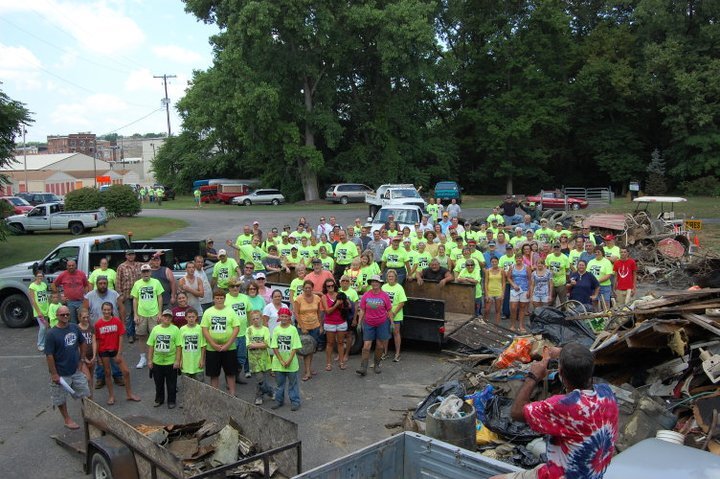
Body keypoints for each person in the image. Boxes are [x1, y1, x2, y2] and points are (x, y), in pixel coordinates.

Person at [490, 343, 618, 479]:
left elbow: (516, 412)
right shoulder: (607, 393)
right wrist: (560, 353)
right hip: (591, 473)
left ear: (560, 373)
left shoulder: (564, 406)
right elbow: (582, 358)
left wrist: (533, 377)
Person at [45, 305, 91, 429]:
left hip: (75, 369)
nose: (65, 316)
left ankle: (89, 414)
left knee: (85, 392)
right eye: (62, 315)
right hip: (61, 373)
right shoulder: (51, 334)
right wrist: (54, 374)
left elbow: (83, 342)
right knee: (60, 398)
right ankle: (67, 419)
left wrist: (81, 359)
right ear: (56, 316)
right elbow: (49, 355)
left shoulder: (74, 328)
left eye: (67, 314)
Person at [94, 302, 141, 405]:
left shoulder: (116, 321)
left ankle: (129, 394)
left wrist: (119, 353)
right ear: (102, 310)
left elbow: (120, 337)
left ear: (112, 310)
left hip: (115, 350)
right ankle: (111, 396)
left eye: (108, 309)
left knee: (126, 372)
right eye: (105, 309)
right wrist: (98, 357)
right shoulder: (98, 324)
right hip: (104, 351)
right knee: (107, 373)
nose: (106, 311)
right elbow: (97, 340)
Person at [201, 289, 240, 395]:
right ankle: (215, 394)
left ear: (224, 299)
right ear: (214, 299)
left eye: (221, 298)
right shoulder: (208, 312)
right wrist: (213, 344)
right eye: (217, 298)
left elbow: (236, 328)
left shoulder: (231, 311)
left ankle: (232, 393)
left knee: (230, 372)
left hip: (229, 347)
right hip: (212, 348)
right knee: (214, 373)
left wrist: (228, 344)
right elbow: (204, 329)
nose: (219, 300)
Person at [356, 275, 392, 375]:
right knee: (366, 345)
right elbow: (362, 310)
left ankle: (376, 364)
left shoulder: (384, 295)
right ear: (370, 283)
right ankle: (363, 367)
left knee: (380, 345)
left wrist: (392, 323)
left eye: (376, 282)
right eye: (373, 282)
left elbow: (389, 310)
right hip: (369, 323)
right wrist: (359, 323)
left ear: (380, 283)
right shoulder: (366, 295)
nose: (374, 283)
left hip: (382, 323)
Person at [131, 264, 164, 369]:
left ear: (150, 272)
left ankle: (154, 357)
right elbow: (135, 299)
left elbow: (160, 297)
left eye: (147, 271)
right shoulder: (137, 284)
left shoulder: (156, 282)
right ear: (141, 273)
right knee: (141, 336)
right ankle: (143, 358)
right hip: (141, 314)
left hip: (154, 313)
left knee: (155, 336)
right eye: (143, 272)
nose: (145, 273)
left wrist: (159, 313)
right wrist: (135, 314)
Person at [147, 309, 181, 408]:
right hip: (157, 361)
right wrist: (149, 360)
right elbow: (151, 345)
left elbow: (179, 346)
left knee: (172, 384)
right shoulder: (155, 329)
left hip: (170, 362)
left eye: (169, 317)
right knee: (158, 383)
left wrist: (177, 361)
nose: (167, 318)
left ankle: (171, 401)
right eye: (165, 316)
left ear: (171, 318)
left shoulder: (175, 329)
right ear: (161, 317)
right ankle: (159, 399)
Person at [270, 307, 302, 411]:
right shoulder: (276, 329)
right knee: (279, 384)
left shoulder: (293, 329)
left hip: (291, 363)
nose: (284, 318)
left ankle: (295, 401)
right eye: (282, 316)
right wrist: (281, 360)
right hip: (279, 363)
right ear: (279, 317)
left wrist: (289, 360)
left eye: (286, 316)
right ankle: (279, 401)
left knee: (293, 384)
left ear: (289, 318)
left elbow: (295, 346)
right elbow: (274, 346)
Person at [294, 280, 322, 381]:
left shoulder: (317, 298)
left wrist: (321, 326)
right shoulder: (298, 299)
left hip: (315, 326)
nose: (307, 289)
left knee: (312, 349)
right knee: (305, 350)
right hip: (303, 328)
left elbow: (319, 313)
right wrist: (303, 326)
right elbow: (296, 314)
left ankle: (309, 368)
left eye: (309, 288)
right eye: (305, 288)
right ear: (303, 288)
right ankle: (307, 372)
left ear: (312, 288)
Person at [225, 278, 251, 381]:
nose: (235, 288)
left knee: (241, 358)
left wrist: (250, 327)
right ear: (229, 288)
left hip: (243, 333)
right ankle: (229, 379)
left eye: (237, 286)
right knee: (231, 358)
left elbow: (248, 312)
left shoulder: (245, 297)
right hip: (231, 334)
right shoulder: (225, 298)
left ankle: (236, 376)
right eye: (232, 286)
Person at [246, 310, 274, 405]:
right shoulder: (249, 330)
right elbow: (248, 345)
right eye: (253, 319)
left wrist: (255, 344)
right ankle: (269, 392)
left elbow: (267, 344)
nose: (255, 320)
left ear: (261, 318)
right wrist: (260, 344)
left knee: (263, 379)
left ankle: (260, 395)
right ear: (251, 320)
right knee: (260, 379)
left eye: (257, 318)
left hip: (264, 359)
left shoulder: (265, 329)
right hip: (254, 360)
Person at [117, 249, 142, 343]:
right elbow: (118, 282)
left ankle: (137, 333)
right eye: (129, 255)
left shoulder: (139, 265)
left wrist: (155, 255)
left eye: (132, 255)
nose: (131, 256)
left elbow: (150, 263)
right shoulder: (121, 267)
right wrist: (120, 295)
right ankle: (130, 335)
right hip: (126, 296)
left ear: (135, 256)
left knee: (138, 314)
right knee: (128, 316)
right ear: (126, 256)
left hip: (138, 295)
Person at [381, 269, 407, 362]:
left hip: (396, 314)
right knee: (385, 334)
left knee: (396, 333)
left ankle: (397, 354)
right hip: (385, 315)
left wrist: (394, 313)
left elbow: (402, 302)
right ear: (386, 278)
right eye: (389, 276)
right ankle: (385, 352)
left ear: (395, 277)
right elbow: (381, 300)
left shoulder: (399, 287)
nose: (390, 278)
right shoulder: (383, 287)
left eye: (392, 276)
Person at [178, 308, 205, 381]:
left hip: (197, 363)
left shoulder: (200, 329)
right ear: (185, 318)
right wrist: (180, 360)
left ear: (196, 317)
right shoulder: (182, 329)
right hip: (186, 363)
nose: (191, 319)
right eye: (189, 317)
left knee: (199, 385)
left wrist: (202, 360)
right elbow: (180, 346)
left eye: (193, 317)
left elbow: (203, 346)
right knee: (187, 385)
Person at [508, 254, 531, 333]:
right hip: (514, 289)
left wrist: (529, 291)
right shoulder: (512, 267)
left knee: (522, 307)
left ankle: (521, 325)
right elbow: (508, 277)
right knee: (513, 308)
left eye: (520, 258)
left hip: (524, 289)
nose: (518, 259)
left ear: (522, 259)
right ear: (515, 259)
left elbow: (530, 279)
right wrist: (513, 284)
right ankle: (513, 325)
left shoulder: (526, 267)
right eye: (517, 258)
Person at [587, 246, 614, 311]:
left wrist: (597, 281)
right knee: (594, 302)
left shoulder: (607, 262)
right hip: (593, 287)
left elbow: (608, 274)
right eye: (595, 252)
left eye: (598, 252)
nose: (597, 253)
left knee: (605, 303)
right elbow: (587, 273)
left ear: (602, 252)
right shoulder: (591, 262)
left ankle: (606, 317)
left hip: (604, 286)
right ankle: (596, 317)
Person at [29, 271, 50, 351]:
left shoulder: (44, 285)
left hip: (46, 309)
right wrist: (38, 311)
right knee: (43, 327)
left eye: (41, 276)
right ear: (35, 277)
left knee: (46, 327)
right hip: (39, 310)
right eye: (38, 276)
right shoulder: (32, 286)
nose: (40, 277)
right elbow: (33, 300)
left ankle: (44, 343)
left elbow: (46, 297)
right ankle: (40, 344)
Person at [484, 257, 505, 325]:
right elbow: (486, 282)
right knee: (487, 310)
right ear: (491, 262)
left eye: (495, 261)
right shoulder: (488, 271)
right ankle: (485, 323)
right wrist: (486, 294)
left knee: (498, 310)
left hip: (499, 292)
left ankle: (497, 325)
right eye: (492, 262)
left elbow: (504, 283)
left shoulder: (502, 270)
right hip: (490, 292)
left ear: (498, 262)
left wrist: (502, 294)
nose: (494, 263)